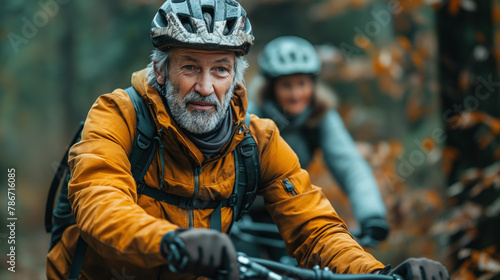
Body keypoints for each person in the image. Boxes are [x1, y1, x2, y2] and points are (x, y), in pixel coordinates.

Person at [46, 1, 449, 279]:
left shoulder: (259, 141)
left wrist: (380, 273)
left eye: (220, 70)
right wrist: (172, 241)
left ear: (236, 78)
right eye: (190, 67)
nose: (206, 87)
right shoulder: (118, 115)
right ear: (162, 71)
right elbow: (100, 204)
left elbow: (316, 230)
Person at [244, 36, 389, 248]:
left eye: (302, 84)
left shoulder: (320, 116)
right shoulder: (249, 115)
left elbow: (350, 166)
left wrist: (372, 216)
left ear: (313, 84)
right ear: (271, 88)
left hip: (285, 209)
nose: (296, 94)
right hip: (240, 212)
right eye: (286, 85)